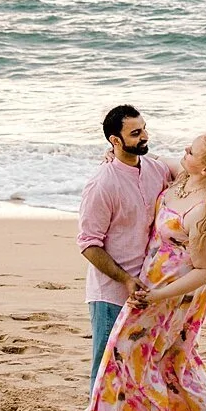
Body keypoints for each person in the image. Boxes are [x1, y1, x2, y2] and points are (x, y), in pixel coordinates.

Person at [72, 131, 206, 411]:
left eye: (191, 151)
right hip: (154, 288)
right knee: (173, 360)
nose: (184, 152)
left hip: (171, 295)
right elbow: (151, 162)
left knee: (121, 359)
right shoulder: (184, 175)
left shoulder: (205, 210)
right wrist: (115, 155)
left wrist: (158, 296)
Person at [76, 105, 173, 388]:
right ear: (115, 141)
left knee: (141, 368)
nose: (145, 136)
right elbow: (88, 244)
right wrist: (125, 280)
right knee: (107, 369)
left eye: (144, 129)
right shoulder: (102, 183)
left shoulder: (157, 170)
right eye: (136, 133)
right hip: (111, 294)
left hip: (150, 289)